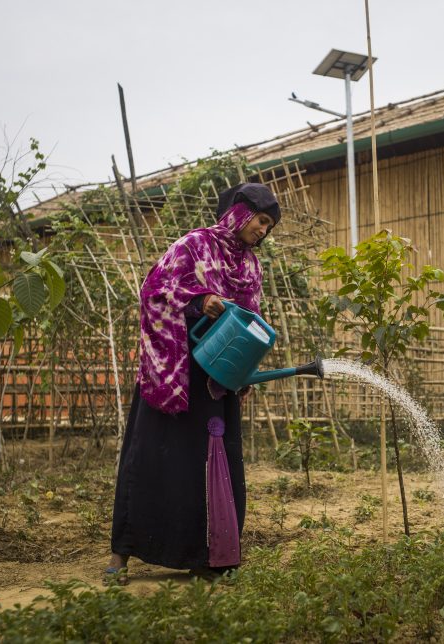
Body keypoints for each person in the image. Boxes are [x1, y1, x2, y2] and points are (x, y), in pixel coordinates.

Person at [106, 183, 280, 584]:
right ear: (239, 212)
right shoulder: (193, 246)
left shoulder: (251, 266)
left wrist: (246, 368)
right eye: (261, 220)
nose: (263, 231)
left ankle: (207, 556)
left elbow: (252, 322)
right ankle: (124, 550)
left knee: (209, 466)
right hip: (175, 372)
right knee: (152, 457)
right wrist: (200, 301)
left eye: (269, 226)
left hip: (217, 378)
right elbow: (154, 290)